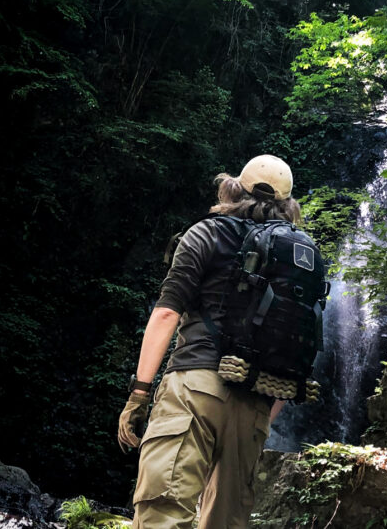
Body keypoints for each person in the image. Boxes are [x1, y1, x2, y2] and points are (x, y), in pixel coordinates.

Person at [118, 155, 304, 528]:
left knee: (164, 512)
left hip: (194, 387)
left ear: (235, 187)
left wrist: (139, 393)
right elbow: (297, 346)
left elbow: (168, 312)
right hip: (255, 401)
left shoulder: (207, 232)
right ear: (287, 205)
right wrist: (261, 418)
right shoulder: (298, 257)